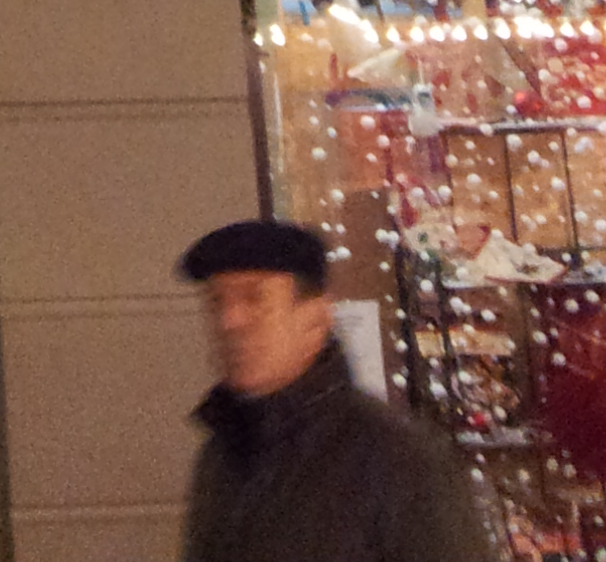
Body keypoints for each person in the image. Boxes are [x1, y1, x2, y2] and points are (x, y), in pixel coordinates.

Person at [178, 219, 488, 561]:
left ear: (315, 320)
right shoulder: (222, 456)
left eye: (255, 298)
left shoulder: (400, 462)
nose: (229, 321)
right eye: (217, 301)